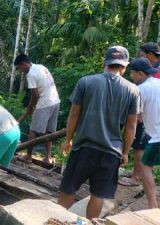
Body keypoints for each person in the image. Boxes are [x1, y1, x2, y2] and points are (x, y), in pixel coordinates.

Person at [58, 46, 140, 219]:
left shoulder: (86, 82)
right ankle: (90, 223)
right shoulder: (133, 90)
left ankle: (56, 220)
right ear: (124, 67)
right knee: (98, 195)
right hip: (111, 153)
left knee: (68, 189)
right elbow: (131, 127)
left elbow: (74, 114)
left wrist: (68, 139)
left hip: (84, 147)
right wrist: (125, 152)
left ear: (105, 63)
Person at [14, 54, 60, 164]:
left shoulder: (30, 74)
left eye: (19, 68)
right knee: (49, 132)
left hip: (44, 103)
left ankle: (28, 157)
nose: (20, 71)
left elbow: (34, 94)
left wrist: (31, 107)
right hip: (55, 101)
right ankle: (48, 158)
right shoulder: (41, 67)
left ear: (24, 64)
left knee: (33, 130)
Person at [129, 57, 160, 209]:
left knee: (145, 167)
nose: (131, 77)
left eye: (132, 73)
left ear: (140, 73)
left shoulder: (141, 90)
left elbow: (137, 117)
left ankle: (152, 206)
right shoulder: (158, 82)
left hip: (156, 136)